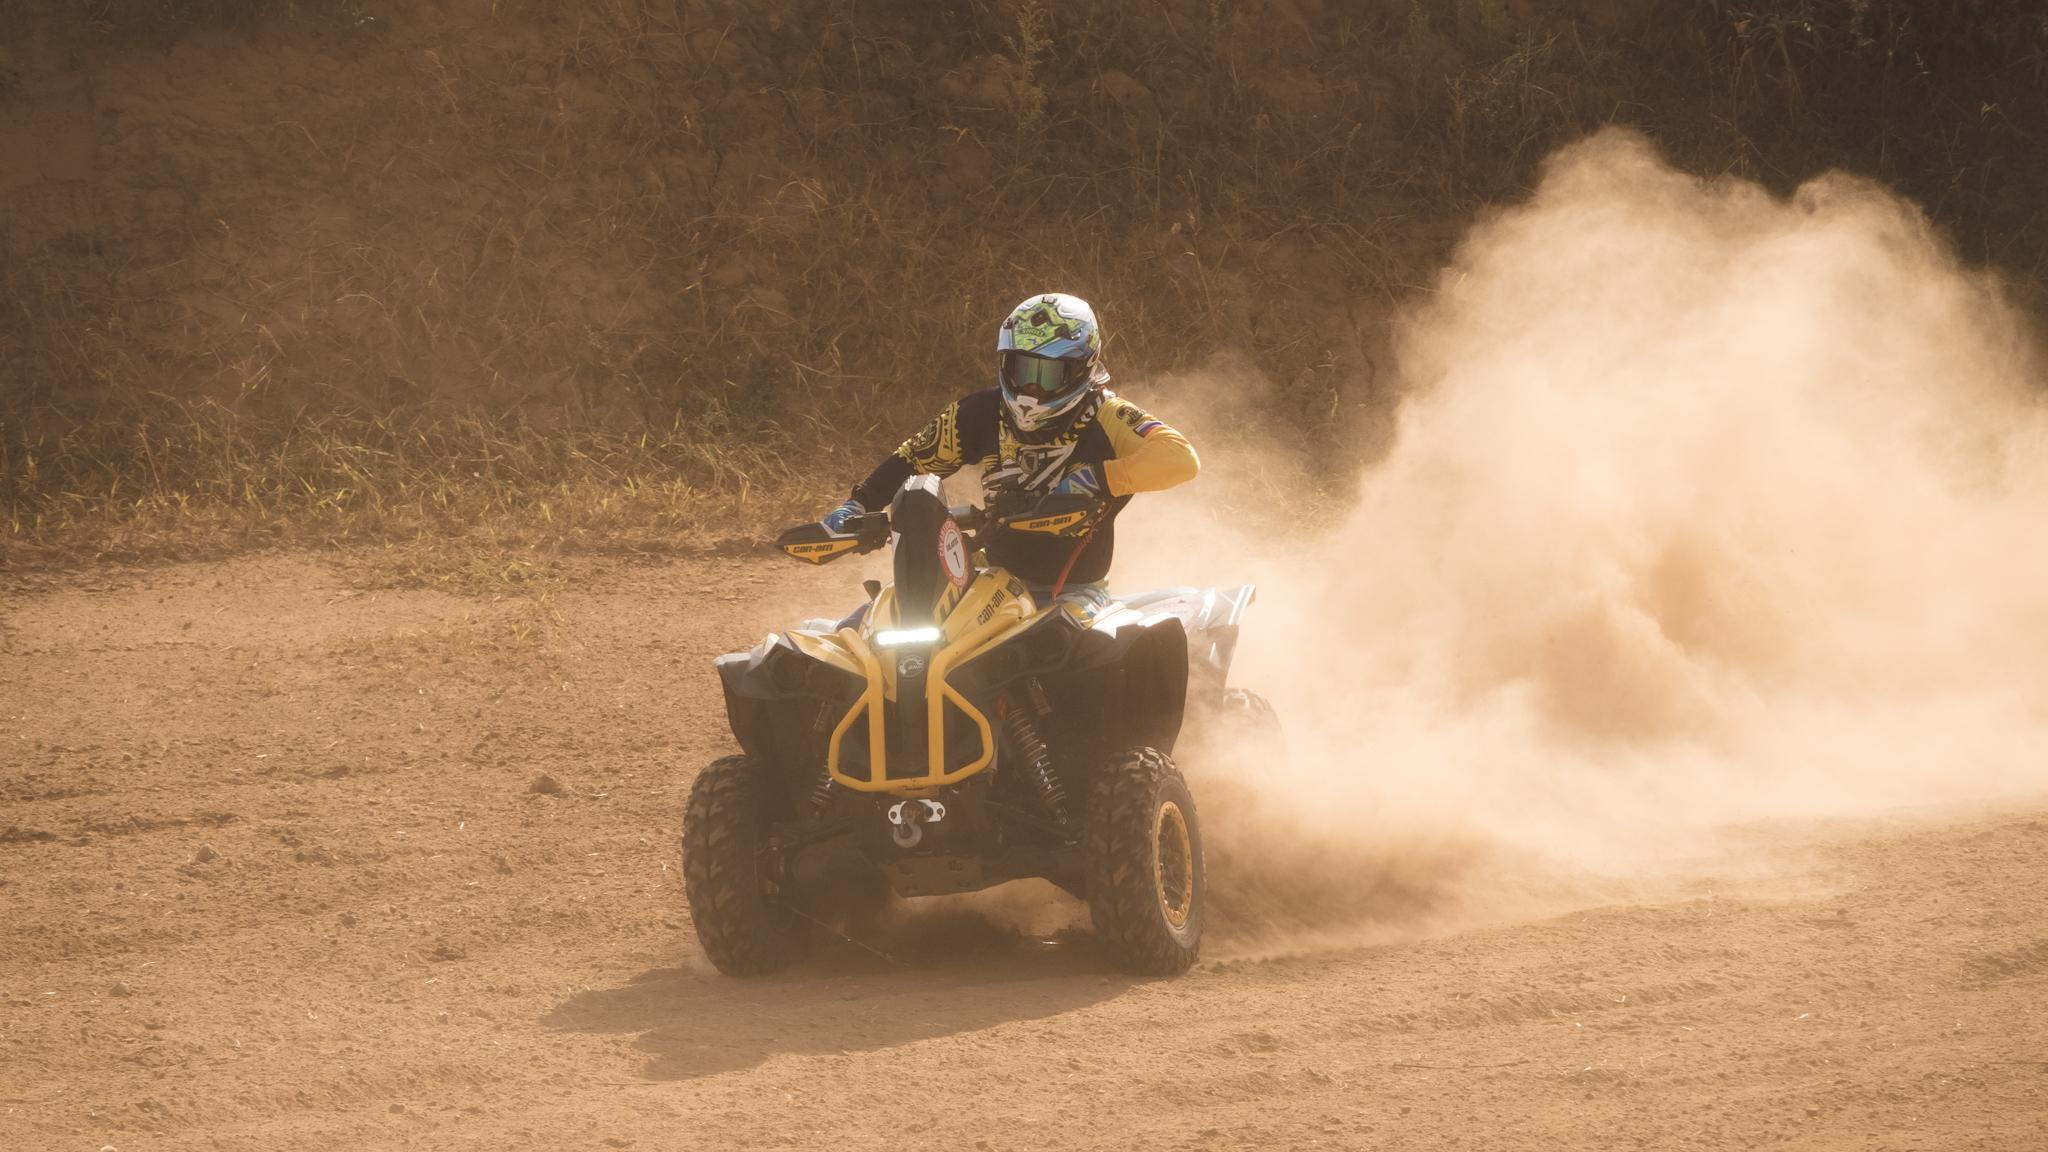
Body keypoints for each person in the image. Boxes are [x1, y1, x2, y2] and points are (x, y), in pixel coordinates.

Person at [821, 292, 1199, 613]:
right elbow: (912, 458)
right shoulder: (980, 411)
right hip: (987, 576)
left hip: (1074, 593)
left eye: (1048, 374)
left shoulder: (1108, 414)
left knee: (1069, 663)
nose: (1031, 388)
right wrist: (858, 504)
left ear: (1081, 369)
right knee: (878, 624)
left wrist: (1096, 479)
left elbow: (1180, 458)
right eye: (1022, 368)